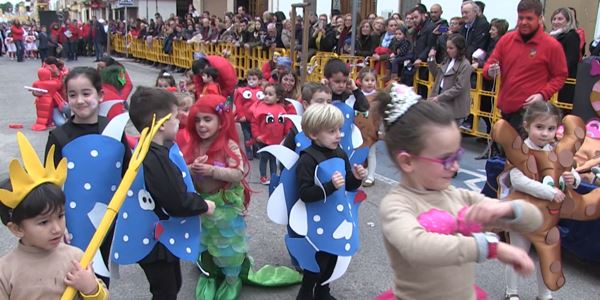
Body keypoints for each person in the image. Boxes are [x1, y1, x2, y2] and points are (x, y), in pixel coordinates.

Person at [377, 83, 543, 300]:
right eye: (447, 159)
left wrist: (508, 209)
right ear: (408, 161)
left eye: (458, 156)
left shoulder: (458, 196)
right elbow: (416, 247)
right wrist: (491, 248)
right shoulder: (397, 205)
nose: (456, 166)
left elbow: (534, 220)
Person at [44, 67, 132, 286]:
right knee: (72, 274)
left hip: (107, 219)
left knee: (100, 277)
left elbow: (128, 173)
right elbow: (50, 184)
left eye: (86, 93)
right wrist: (57, 222)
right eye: (72, 95)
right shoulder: (59, 136)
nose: (80, 100)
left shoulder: (113, 131)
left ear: (100, 95)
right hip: (73, 221)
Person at [128, 87, 216, 299]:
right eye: (176, 117)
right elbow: (175, 200)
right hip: (155, 240)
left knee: (172, 284)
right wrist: (204, 206)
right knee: (165, 290)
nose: (179, 121)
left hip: (157, 236)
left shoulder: (152, 149)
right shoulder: (155, 157)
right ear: (161, 123)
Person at [0, 134, 108, 300]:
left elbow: (102, 297)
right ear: (17, 228)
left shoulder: (76, 258)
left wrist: (91, 289)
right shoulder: (6, 271)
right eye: (43, 222)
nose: (57, 228)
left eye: (60, 216)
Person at [502, 101, 580, 300]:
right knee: (518, 253)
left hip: (547, 216)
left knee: (547, 256)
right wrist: (549, 192)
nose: (545, 133)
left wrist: (573, 180)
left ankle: (544, 294)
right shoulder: (519, 150)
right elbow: (517, 180)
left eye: (551, 128)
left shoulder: (556, 151)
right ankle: (512, 292)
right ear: (527, 126)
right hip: (522, 211)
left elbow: (567, 172)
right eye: (540, 127)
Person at [295, 103, 367, 300]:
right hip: (317, 220)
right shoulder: (307, 159)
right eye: (332, 131)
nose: (339, 135)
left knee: (334, 256)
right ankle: (305, 293)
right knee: (317, 260)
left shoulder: (340, 153)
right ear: (313, 134)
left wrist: (356, 176)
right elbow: (305, 193)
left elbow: (348, 186)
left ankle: (323, 291)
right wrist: (330, 187)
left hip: (337, 216)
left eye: (339, 130)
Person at [483, 0, 567, 136]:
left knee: (523, 155)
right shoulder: (506, 40)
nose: (523, 22)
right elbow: (489, 65)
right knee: (506, 154)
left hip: (531, 112)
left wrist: (542, 94)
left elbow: (560, 76)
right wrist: (490, 71)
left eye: (529, 18)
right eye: (521, 17)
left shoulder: (552, 45)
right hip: (506, 108)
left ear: (540, 19)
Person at [427, 34, 472, 125]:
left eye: (451, 48)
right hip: (441, 99)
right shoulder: (447, 60)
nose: (448, 50)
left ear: (459, 49)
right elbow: (437, 75)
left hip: (454, 106)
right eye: (447, 48)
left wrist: (439, 97)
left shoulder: (465, 65)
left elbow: (459, 87)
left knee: (448, 134)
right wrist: (431, 60)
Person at [250, 83, 288, 185]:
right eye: (265, 93)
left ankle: (273, 176)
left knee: (273, 159)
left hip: (277, 140)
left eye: (270, 94)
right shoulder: (260, 108)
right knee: (264, 158)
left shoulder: (281, 109)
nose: (266, 96)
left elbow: (285, 122)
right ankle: (263, 176)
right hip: (263, 140)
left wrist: (286, 134)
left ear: (278, 97)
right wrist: (257, 135)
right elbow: (254, 123)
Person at [353, 67, 381, 187]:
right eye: (366, 80)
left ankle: (371, 176)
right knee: (359, 152)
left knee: (371, 153)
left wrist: (380, 130)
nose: (370, 83)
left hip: (372, 130)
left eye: (372, 80)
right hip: (358, 130)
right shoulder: (355, 96)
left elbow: (382, 114)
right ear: (360, 81)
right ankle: (359, 172)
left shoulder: (379, 97)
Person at [549, 7, 580, 104]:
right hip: (551, 82)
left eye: (560, 19)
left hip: (564, 84)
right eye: (554, 19)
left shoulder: (572, 36)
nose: (556, 22)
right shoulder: (552, 37)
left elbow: (570, 61)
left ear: (568, 21)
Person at [234, 68, 263, 159]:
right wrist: (241, 115)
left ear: (259, 80)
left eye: (254, 79)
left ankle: (256, 151)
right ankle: (249, 153)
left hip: (257, 119)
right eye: (249, 79)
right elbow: (238, 104)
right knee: (247, 136)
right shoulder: (243, 91)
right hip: (245, 119)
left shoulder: (262, 92)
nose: (251, 81)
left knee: (256, 136)